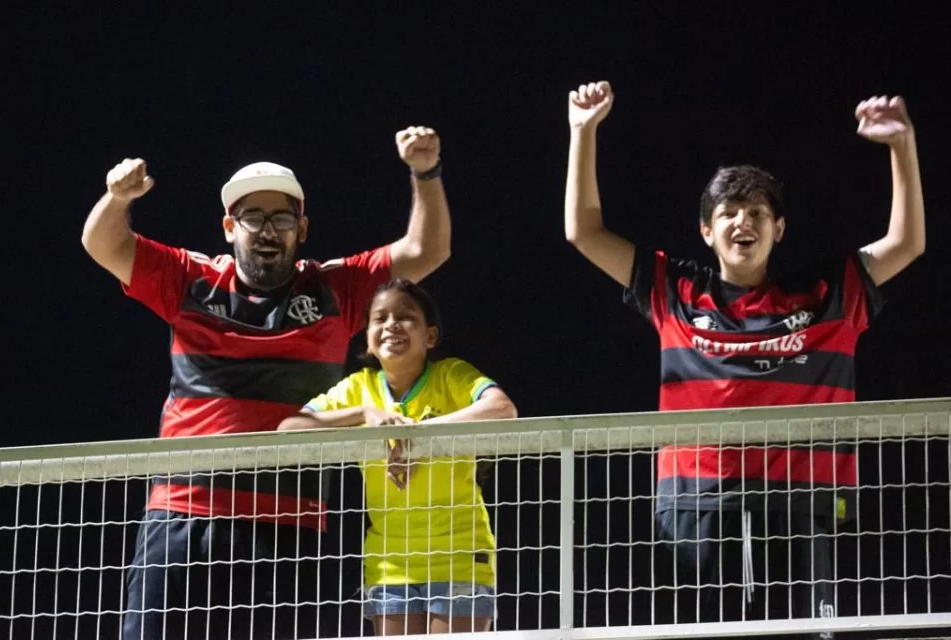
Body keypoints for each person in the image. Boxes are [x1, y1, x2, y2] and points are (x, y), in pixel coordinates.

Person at [564, 82, 924, 636]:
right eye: (728, 212)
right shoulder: (675, 291)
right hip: (696, 505)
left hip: (801, 506)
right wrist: (582, 131)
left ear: (778, 229)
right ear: (708, 231)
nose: (743, 222)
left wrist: (902, 146)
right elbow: (583, 232)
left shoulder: (829, 292)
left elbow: (906, 243)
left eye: (756, 211)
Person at [81, 126, 451, 639]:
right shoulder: (192, 280)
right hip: (187, 515)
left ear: (302, 228)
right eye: (253, 217)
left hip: (289, 526)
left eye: (281, 217)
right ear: (230, 226)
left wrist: (424, 172)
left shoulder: (334, 288)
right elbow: (102, 244)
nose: (267, 229)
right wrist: (117, 197)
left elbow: (427, 249)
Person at [278, 278, 517, 636]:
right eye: (380, 318)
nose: (391, 324)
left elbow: (502, 409)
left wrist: (416, 436)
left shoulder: (451, 375)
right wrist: (364, 414)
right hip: (389, 563)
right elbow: (289, 429)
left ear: (430, 336)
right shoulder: (359, 388)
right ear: (369, 338)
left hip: (461, 556)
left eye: (406, 317)